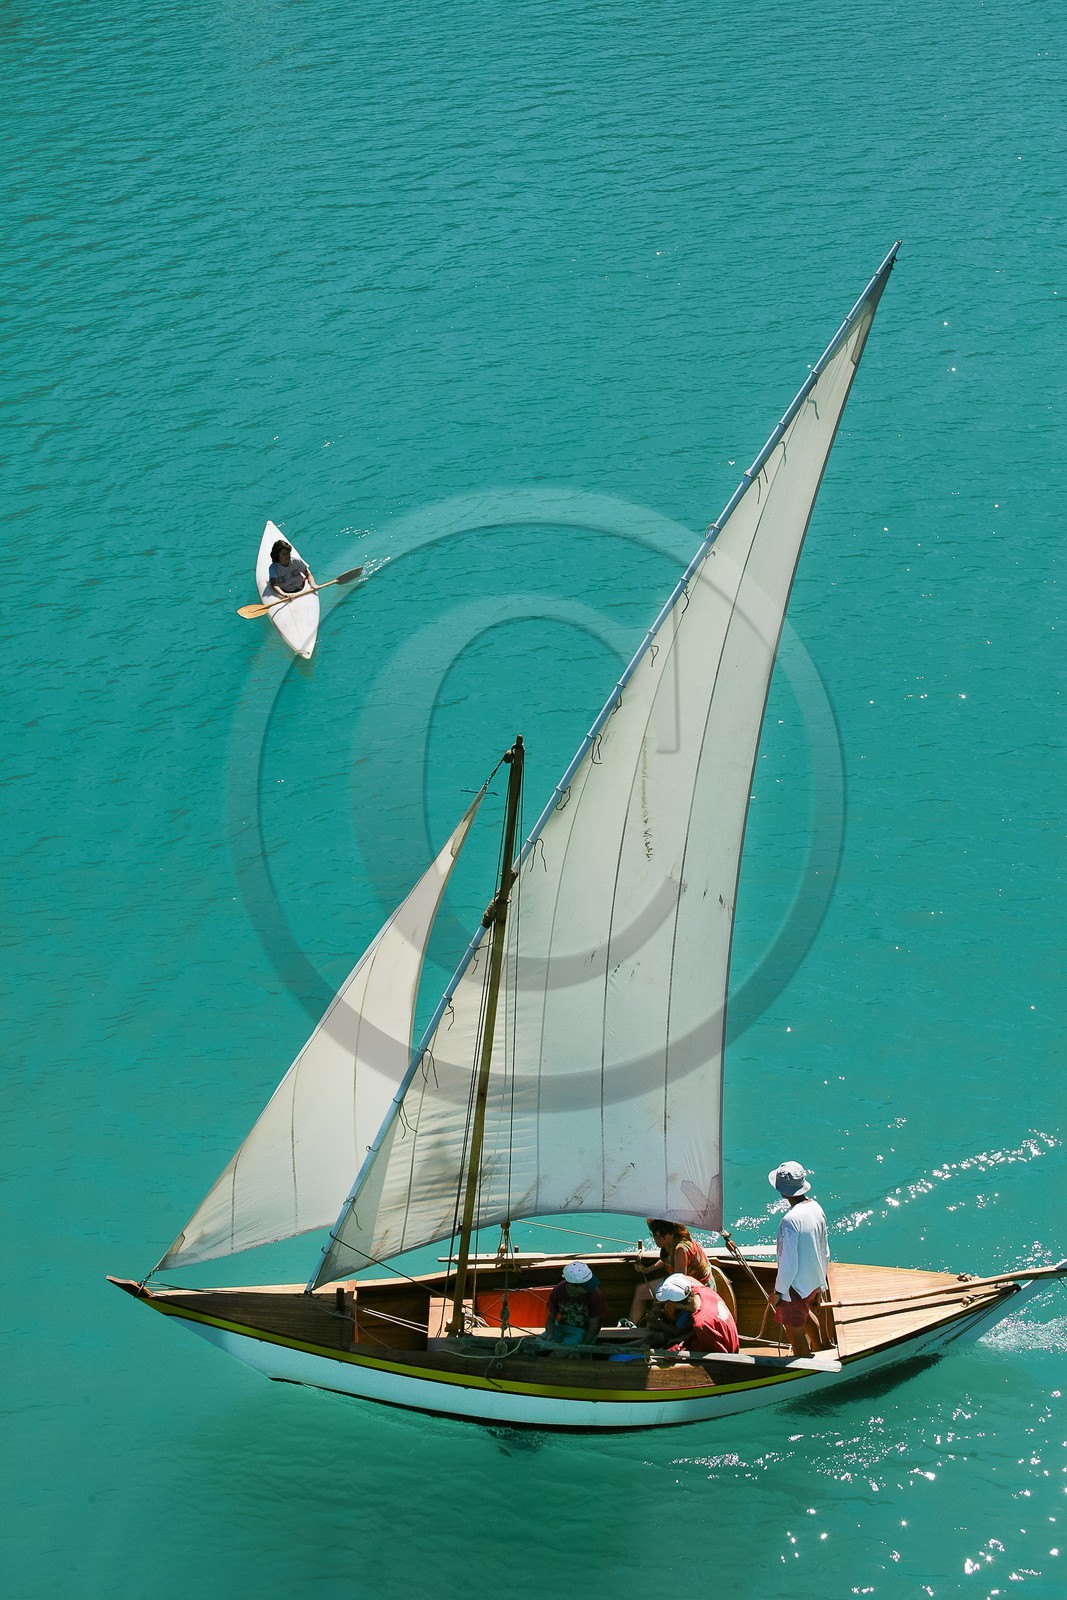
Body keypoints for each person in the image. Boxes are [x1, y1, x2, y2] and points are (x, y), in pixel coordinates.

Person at [768, 1160, 830, 1356]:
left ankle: (806, 1364)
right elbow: (824, 1250)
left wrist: (778, 1293)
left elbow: (788, 1265)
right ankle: (820, 1349)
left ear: (782, 1191)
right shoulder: (816, 1207)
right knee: (807, 1317)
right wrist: (821, 1285)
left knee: (795, 1332)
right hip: (812, 1281)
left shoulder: (790, 1221)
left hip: (794, 1288)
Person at [627, 1219, 712, 1324]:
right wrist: (648, 1269)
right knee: (641, 1290)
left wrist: (658, 1304)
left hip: (695, 1287)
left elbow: (679, 1284)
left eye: (662, 1237)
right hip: (679, 1279)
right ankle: (631, 1325)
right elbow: (667, 1260)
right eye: (655, 1236)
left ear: (672, 1233)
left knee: (642, 1292)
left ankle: (632, 1327)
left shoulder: (681, 1250)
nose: (657, 1240)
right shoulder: (670, 1243)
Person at [652, 1273, 739, 1355]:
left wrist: (679, 1349)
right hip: (729, 1339)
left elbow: (718, 1355)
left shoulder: (702, 1323)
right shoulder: (704, 1291)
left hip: (729, 1354)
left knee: (669, 1352)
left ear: (676, 1304)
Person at [543, 1261, 607, 1347]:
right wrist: (549, 1336)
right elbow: (551, 1318)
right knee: (538, 1343)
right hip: (561, 1326)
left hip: (582, 1331)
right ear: (571, 1286)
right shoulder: (557, 1291)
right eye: (585, 1285)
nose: (590, 1287)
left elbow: (594, 1326)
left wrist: (582, 1348)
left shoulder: (595, 1294)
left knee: (561, 1353)